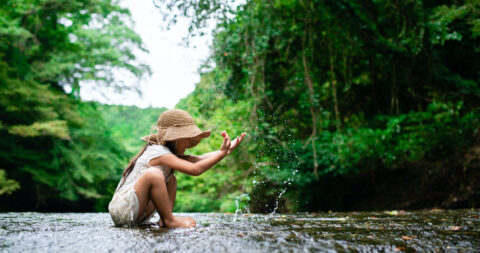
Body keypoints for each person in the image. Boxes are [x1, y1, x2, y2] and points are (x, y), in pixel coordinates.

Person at [108, 109, 246, 228]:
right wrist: (222, 153)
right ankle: (169, 220)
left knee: (171, 179)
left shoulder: (170, 154)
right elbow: (195, 169)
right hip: (123, 211)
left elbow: (200, 159)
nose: (190, 142)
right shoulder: (159, 152)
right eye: (187, 138)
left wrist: (225, 152)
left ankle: (164, 219)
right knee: (154, 174)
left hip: (137, 212)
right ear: (174, 138)